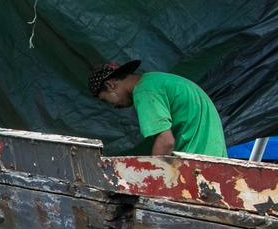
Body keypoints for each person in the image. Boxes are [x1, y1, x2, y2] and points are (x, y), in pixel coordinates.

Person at [90, 59, 227, 157]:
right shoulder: (157, 80)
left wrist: (157, 177)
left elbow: (166, 142)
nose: (113, 106)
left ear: (110, 85)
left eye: (105, 100)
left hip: (196, 166)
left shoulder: (144, 91)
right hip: (215, 161)